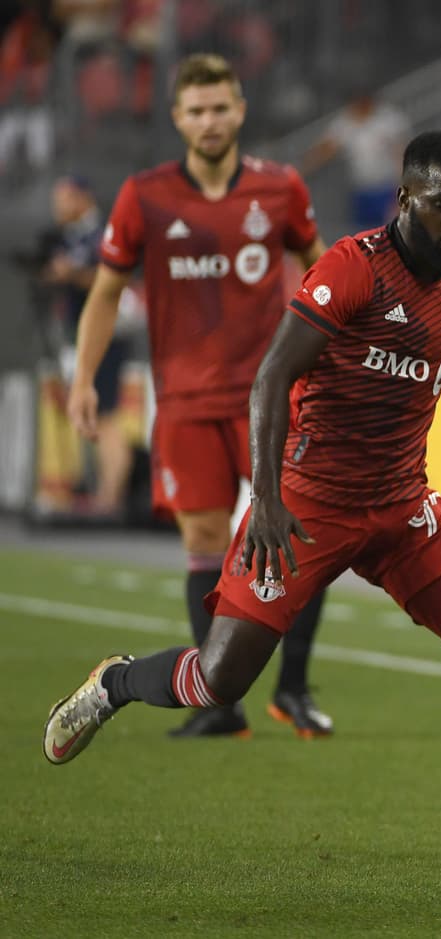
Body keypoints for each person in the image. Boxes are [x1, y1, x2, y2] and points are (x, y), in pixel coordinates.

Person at [43, 128, 441, 867]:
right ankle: (116, 682)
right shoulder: (353, 269)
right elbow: (271, 379)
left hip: (401, 506)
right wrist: (264, 498)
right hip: (309, 503)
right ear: (406, 197)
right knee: (218, 677)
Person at [65, 53, 333, 739]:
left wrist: (334, 352)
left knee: (304, 537)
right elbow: (103, 293)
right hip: (183, 401)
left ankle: (294, 690)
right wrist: (83, 381)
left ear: (240, 110)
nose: (210, 120)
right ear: (178, 117)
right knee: (206, 541)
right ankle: (220, 702)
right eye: (197, 110)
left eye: (221, 107)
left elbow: (322, 267)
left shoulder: (281, 190)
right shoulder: (144, 195)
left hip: (268, 398)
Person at [40, 175, 134, 516]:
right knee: (92, 414)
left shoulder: (103, 234)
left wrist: (73, 274)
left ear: (83, 198)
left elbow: (111, 278)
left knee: (108, 416)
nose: (57, 206)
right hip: (81, 335)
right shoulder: (71, 237)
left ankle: (111, 497)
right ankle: (101, 493)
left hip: (107, 335)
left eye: (63, 198)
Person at [300, 90, 411, 231]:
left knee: (389, 231)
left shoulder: (388, 121)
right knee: (363, 233)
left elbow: (400, 156)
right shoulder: (346, 123)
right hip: (360, 190)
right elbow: (326, 148)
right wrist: (302, 169)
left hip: (386, 188)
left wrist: (402, 188)